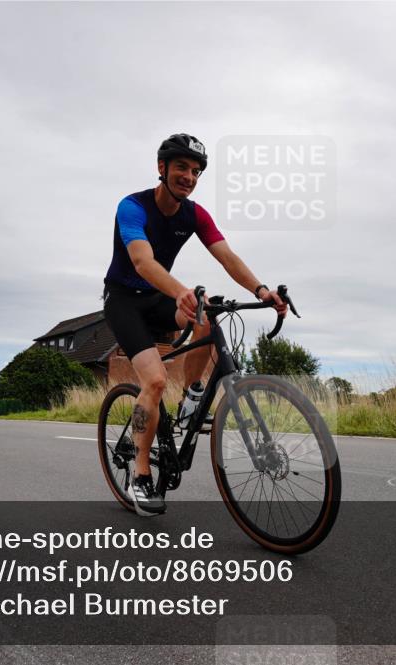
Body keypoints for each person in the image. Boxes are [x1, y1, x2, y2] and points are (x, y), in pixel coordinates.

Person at [103, 133, 287, 516]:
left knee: (208, 310)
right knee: (154, 381)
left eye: (196, 171)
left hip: (158, 299)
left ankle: (192, 396)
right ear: (162, 168)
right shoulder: (133, 207)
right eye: (182, 168)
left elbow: (227, 256)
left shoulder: (195, 214)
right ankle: (140, 475)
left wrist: (261, 289)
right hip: (124, 302)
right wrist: (181, 292)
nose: (189, 177)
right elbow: (142, 262)